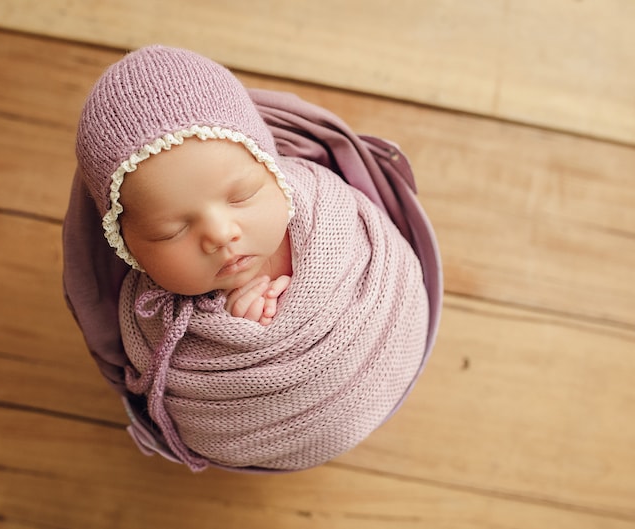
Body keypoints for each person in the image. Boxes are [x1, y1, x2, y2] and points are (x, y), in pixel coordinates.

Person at [64, 45, 442, 472]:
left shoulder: (328, 208)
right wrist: (233, 332)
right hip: (273, 434)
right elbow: (192, 401)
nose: (221, 235)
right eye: (171, 231)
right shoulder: (150, 324)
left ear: (273, 169)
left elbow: (388, 269)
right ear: (126, 247)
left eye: (242, 196)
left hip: (389, 346)